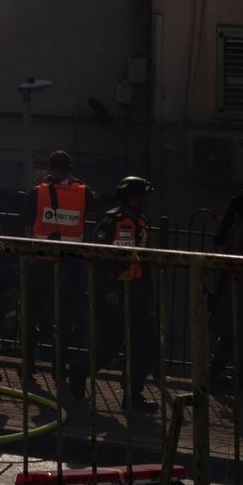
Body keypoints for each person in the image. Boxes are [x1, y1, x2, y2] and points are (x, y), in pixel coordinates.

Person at [27, 150, 90, 413]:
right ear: (70, 169)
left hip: (42, 260)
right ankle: (59, 367)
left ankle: (29, 364)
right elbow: (95, 201)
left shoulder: (38, 192)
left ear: (50, 168)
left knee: (31, 313)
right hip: (70, 263)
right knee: (63, 318)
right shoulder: (82, 192)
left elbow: (26, 217)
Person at [96, 176, 155, 416]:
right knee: (111, 345)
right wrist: (108, 291)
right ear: (132, 197)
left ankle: (132, 395)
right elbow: (99, 260)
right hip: (116, 292)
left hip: (137, 291)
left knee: (144, 343)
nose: (147, 200)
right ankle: (79, 372)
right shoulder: (111, 222)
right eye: (144, 196)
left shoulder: (141, 223)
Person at [203, 184, 243, 397]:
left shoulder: (234, 229)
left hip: (231, 290)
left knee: (230, 336)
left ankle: (224, 376)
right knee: (241, 336)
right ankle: (224, 377)